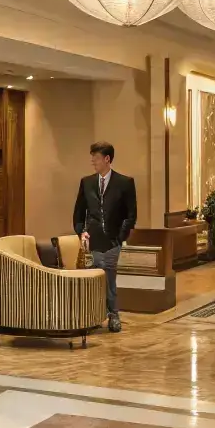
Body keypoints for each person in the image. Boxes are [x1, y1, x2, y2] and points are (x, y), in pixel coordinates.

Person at [72, 140, 137, 332]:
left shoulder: (125, 183)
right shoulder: (87, 182)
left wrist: (120, 237)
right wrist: (80, 231)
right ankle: (93, 315)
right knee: (94, 277)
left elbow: (131, 215)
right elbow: (78, 212)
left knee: (108, 275)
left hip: (112, 242)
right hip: (92, 240)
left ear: (107, 159)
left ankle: (113, 314)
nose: (92, 160)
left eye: (96, 157)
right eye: (92, 156)